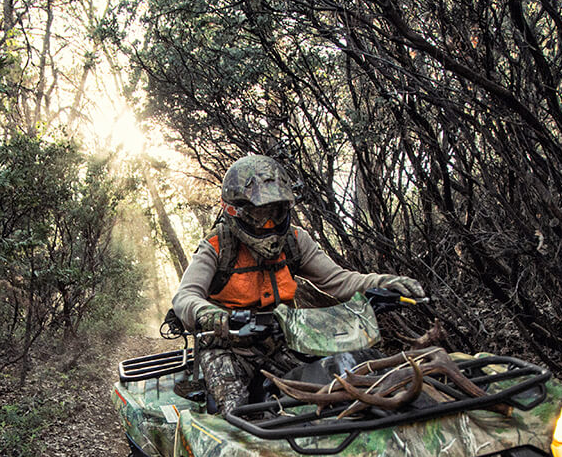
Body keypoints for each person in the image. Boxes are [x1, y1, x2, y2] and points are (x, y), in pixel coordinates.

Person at [171, 154, 425, 413]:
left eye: (277, 212)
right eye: (259, 215)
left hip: (283, 340)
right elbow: (185, 296)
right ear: (236, 212)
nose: (269, 224)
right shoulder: (216, 247)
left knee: (335, 384)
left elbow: (338, 280)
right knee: (238, 414)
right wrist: (206, 313)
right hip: (229, 350)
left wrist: (383, 282)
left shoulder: (295, 241)